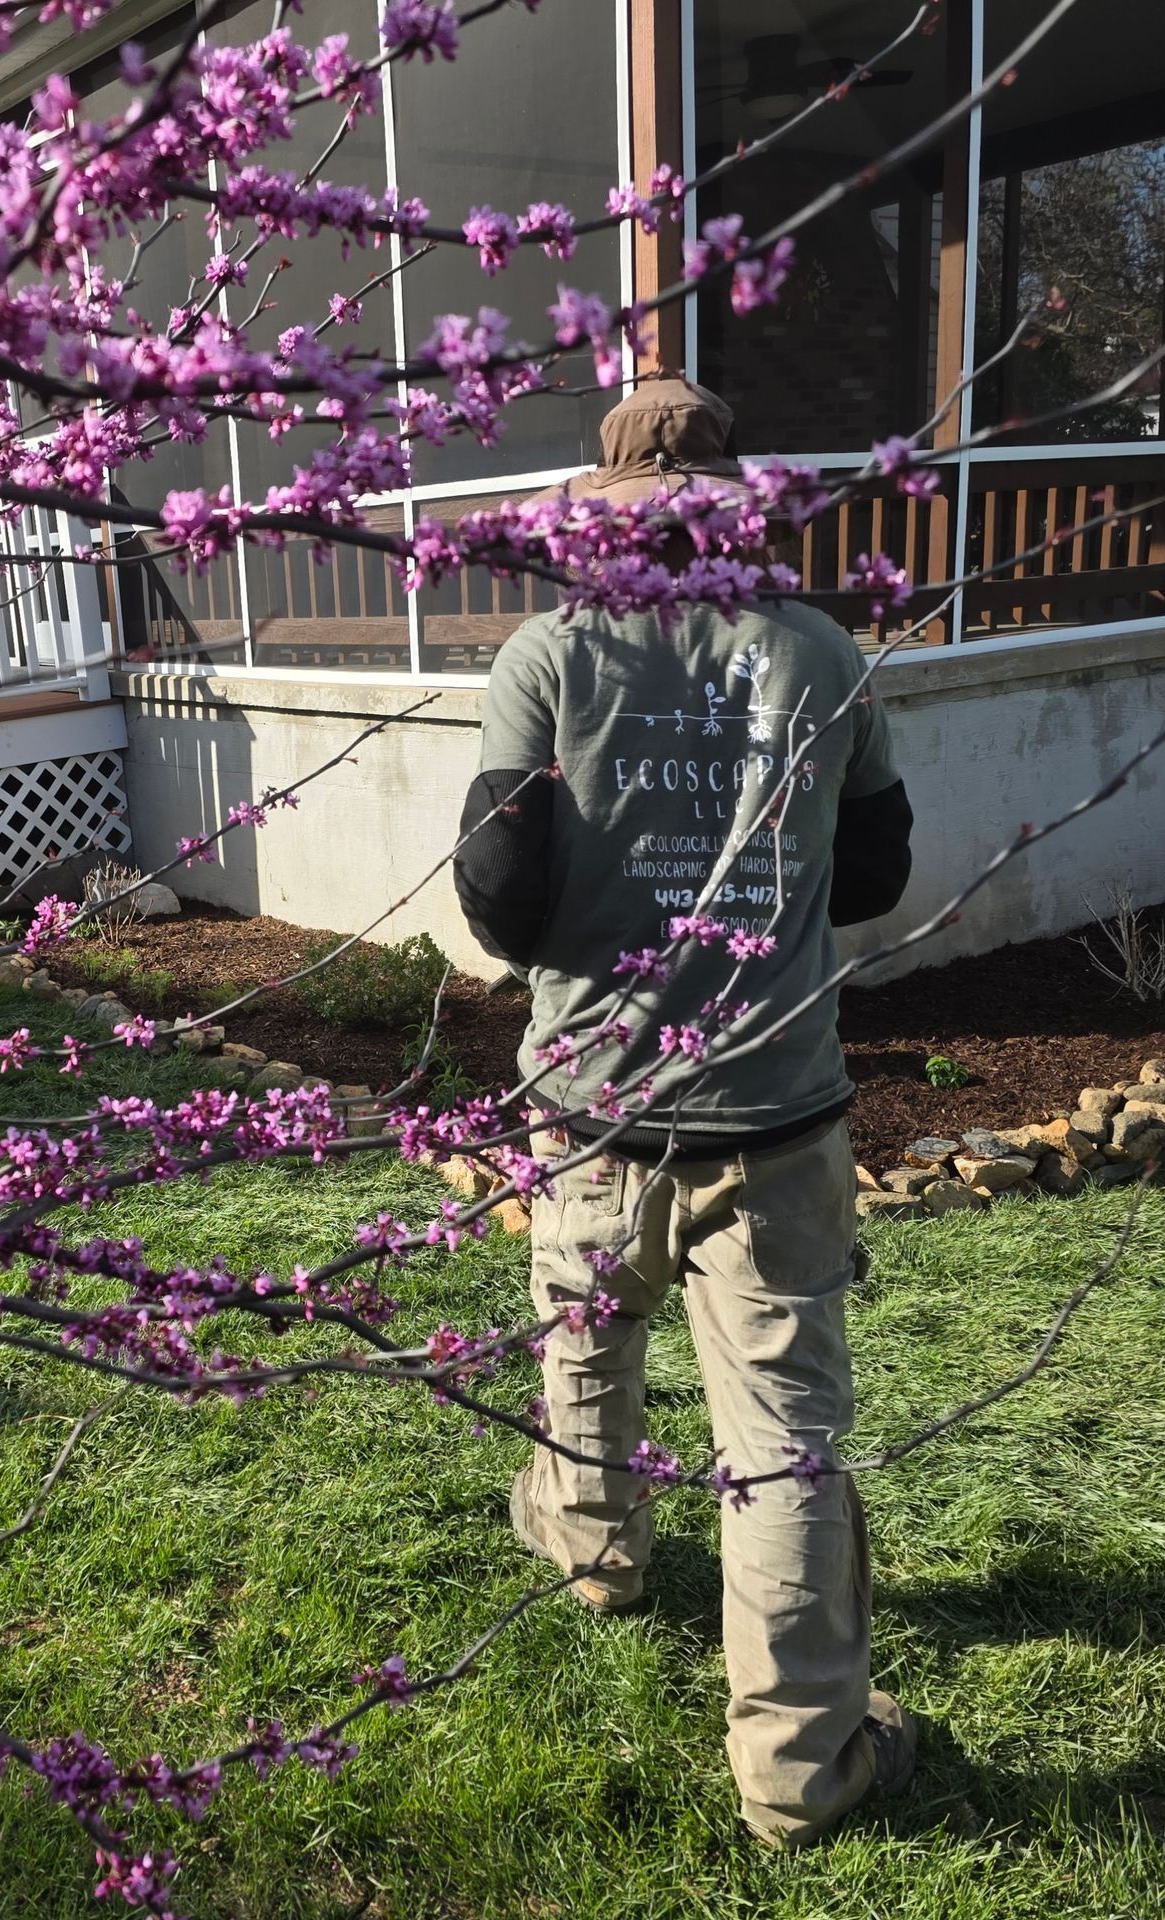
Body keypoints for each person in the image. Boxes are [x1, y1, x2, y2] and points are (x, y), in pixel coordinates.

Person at [452, 374, 918, 1850]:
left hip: (592, 1100)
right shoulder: (823, 652)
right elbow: (876, 879)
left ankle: (597, 1557)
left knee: (584, 1340)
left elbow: (498, 903)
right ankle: (800, 1766)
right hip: (774, 1113)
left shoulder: (547, 658)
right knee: (780, 1437)